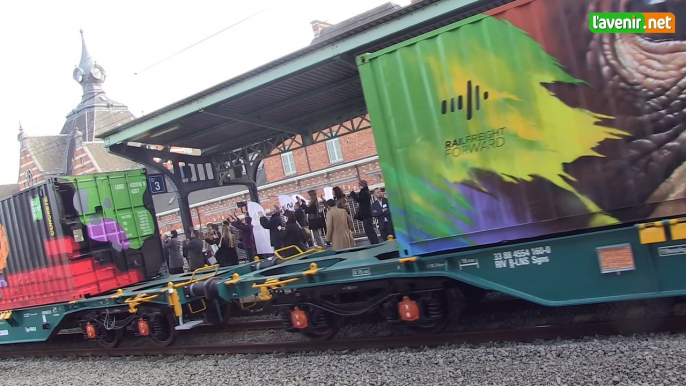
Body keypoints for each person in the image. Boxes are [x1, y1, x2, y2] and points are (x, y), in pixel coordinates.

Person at [349, 180, 379, 244]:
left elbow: (358, 200)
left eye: (359, 185)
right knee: (368, 230)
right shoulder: (365, 192)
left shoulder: (365, 193)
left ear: (362, 185)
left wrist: (352, 193)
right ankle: (373, 242)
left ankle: (374, 242)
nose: (359, 186)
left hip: (366, 215)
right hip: (366, 215)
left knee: (369, 230)